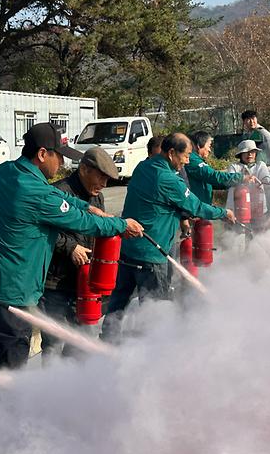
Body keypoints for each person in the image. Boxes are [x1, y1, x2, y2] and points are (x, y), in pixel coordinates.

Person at [0, 122, 143, 406]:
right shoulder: (35, 194)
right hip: (9, 294)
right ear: (43, 154)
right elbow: (83, 223)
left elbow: (58, 198)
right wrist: (119, 224)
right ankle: (1, 420)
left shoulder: (7, 172)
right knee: (12, 361)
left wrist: (85, 205)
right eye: (60, 155)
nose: (63, 162)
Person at [101, 133, 236, 342]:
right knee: (155, 312)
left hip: (127, 251)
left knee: (118, 304)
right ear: (171, 153)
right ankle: (150, 353)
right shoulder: (168, 179)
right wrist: (223, 213)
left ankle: (107, 345)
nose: (188, 160)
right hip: (152, 257)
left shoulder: (143, 167)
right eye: (186, 155)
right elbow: (196, 207)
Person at [38, 147, 118, 358]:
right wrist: (70, 247)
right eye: (100, 178)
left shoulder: (96, 197)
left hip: (84, 283)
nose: (103, 185)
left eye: (107, 180)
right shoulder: (58, 192)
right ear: (83, 169)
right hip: (54, 284)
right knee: (53, 342)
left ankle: (72, 385)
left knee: (82, 338)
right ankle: (49, 388)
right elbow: (40, 230)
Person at [186, 130, 257, 205]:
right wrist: (241, 178)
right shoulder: (193, 161)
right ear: (199, 145)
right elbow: (213, 176)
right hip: (195, 208)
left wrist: (232, 183)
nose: (210, 150)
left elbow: (212, 182)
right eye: (209, 146)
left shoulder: (197, 160)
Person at [225, 139, 270, 216]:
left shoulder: (260, 165)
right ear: (241, 154)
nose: (250, 154)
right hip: (238, 209)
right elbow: (229, 181)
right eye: (246, 152)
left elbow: (267, 181)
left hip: (258, 208)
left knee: (259, 227)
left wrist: (265, 182)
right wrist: (244, 179)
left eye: (252, 151)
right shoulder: (234, 167)